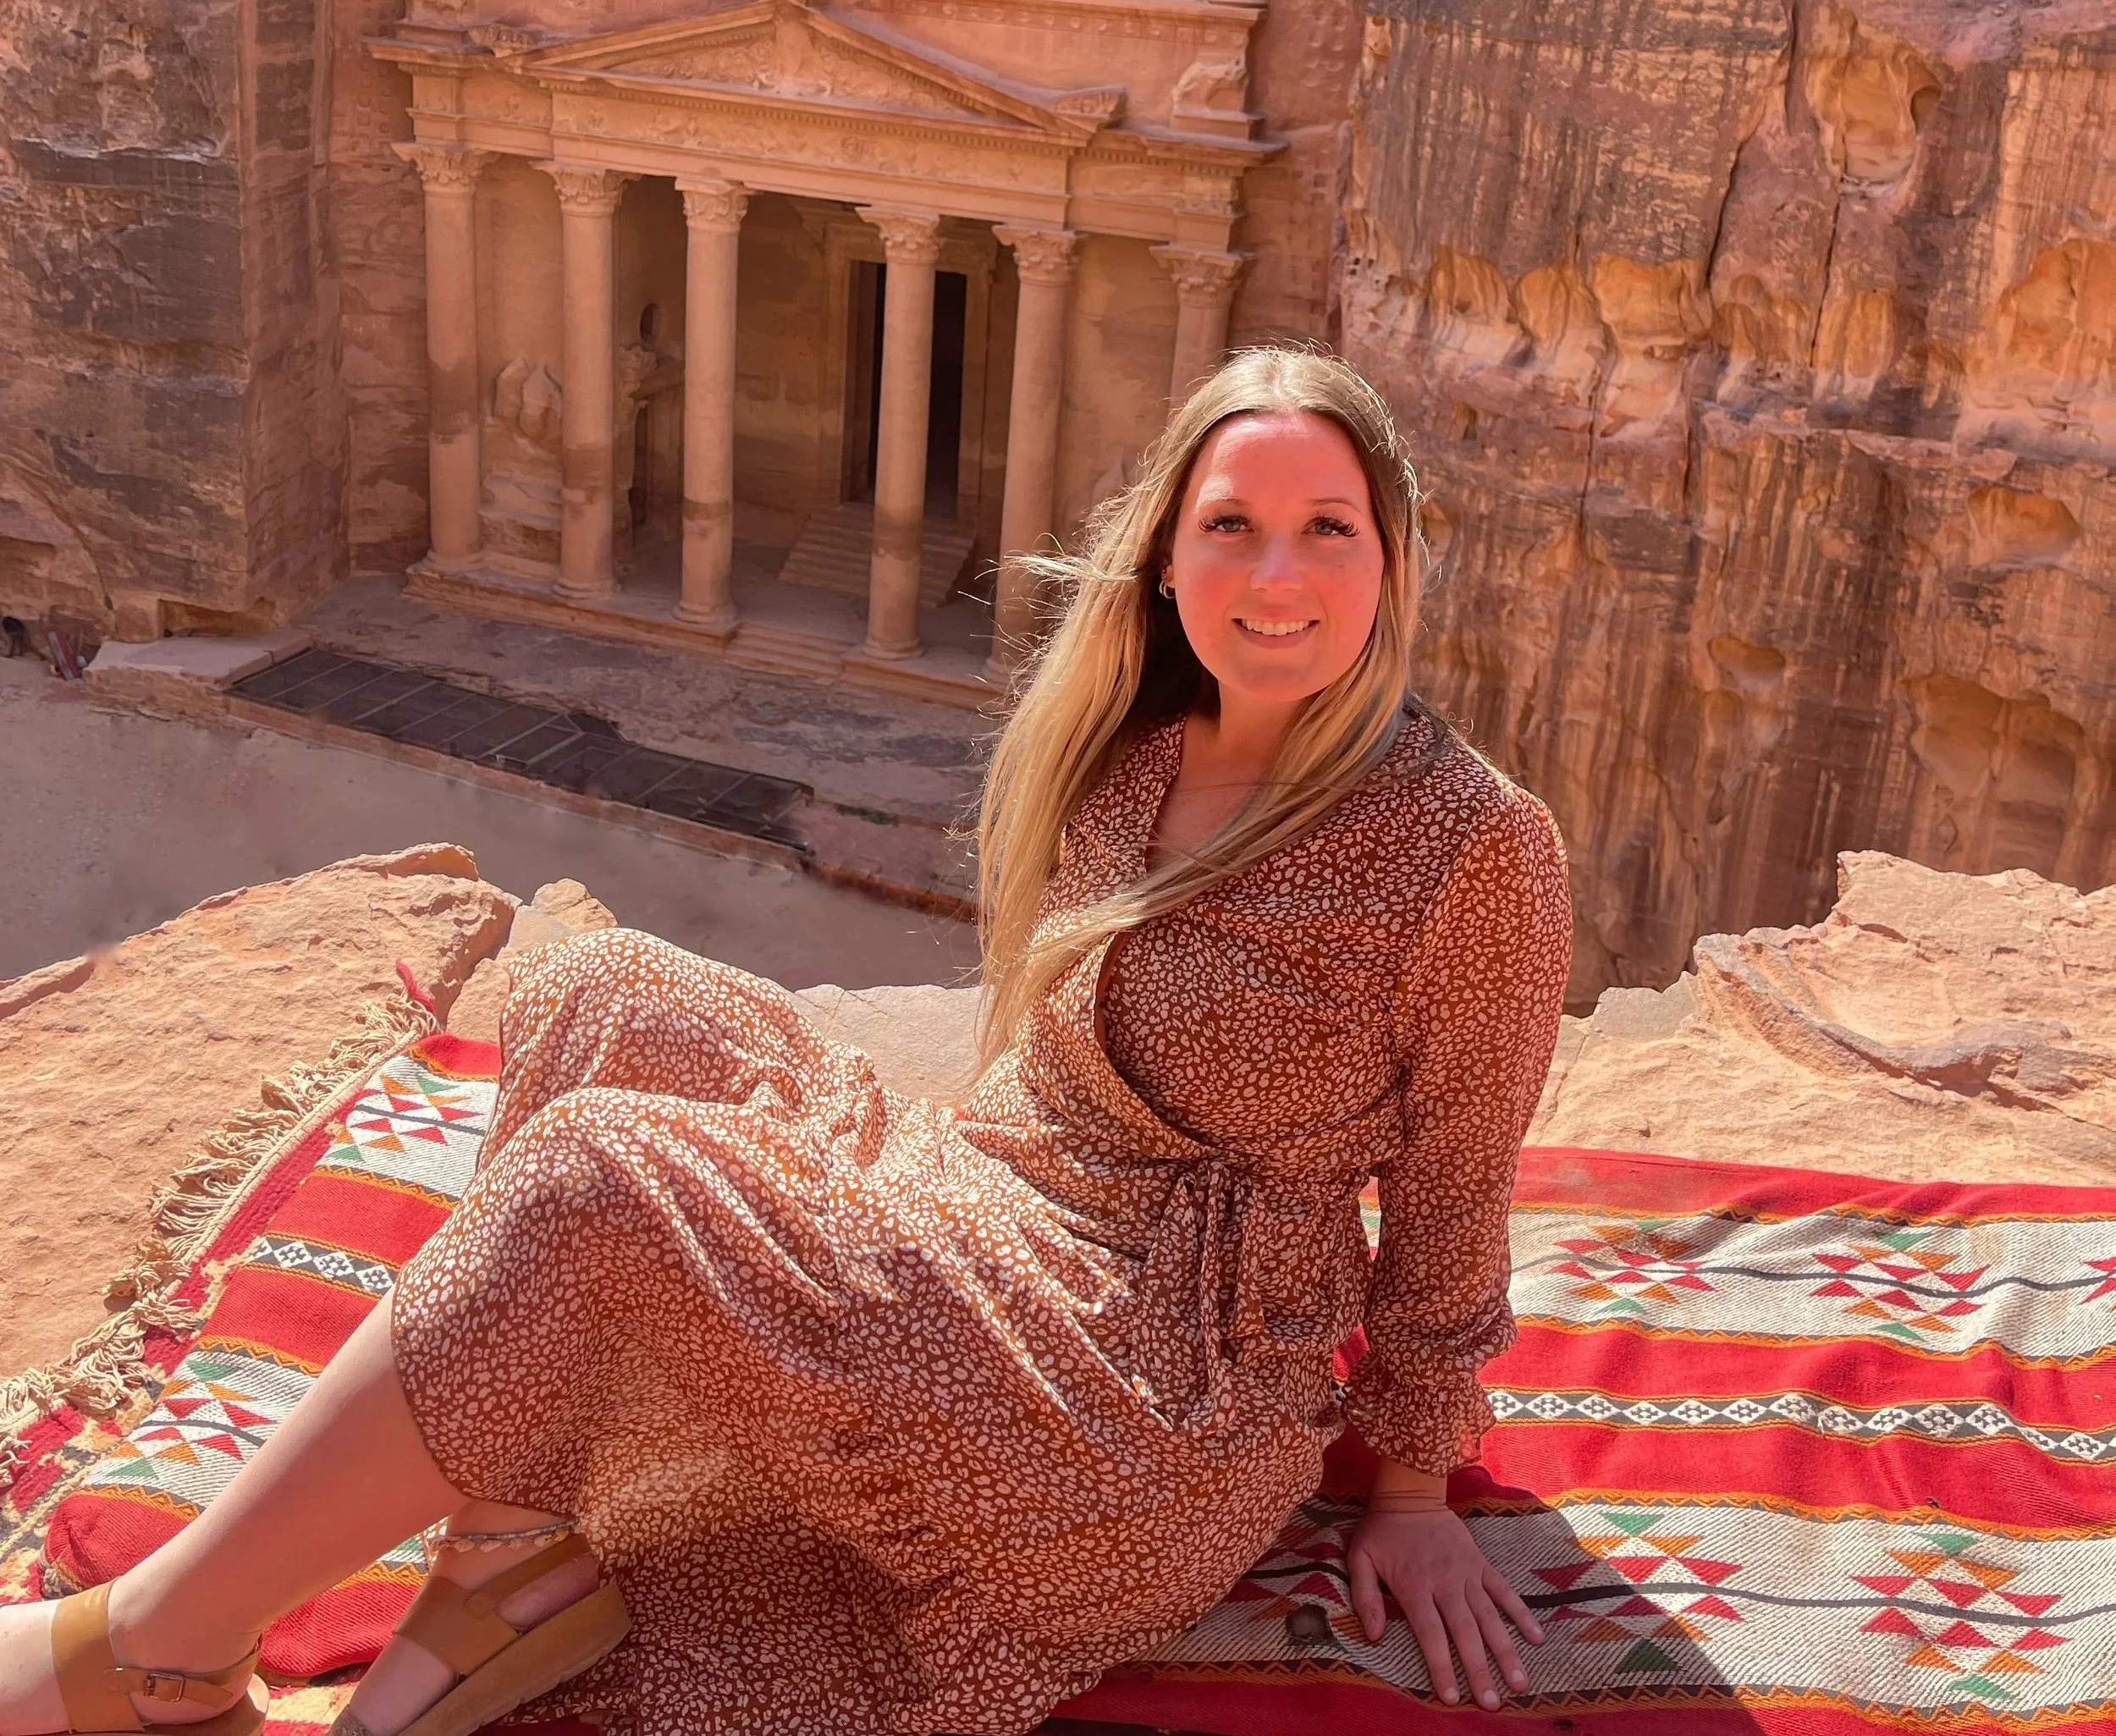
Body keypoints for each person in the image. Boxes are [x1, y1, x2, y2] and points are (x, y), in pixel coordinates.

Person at [0, 349, 1570, 1736]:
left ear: (1393, 563)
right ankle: (505, 1552)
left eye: (1327, 528)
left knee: (606, 1180)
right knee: (599, 992)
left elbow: (1454, 1190)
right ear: (1166, 555)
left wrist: (1416, 1487)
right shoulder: (1131, 753)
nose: (1274, 569)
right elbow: (1041, 1073)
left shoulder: (1470, 841)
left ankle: (162, 1651)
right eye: (1231, 522)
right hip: (1005, 1224)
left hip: (1157, 1394)